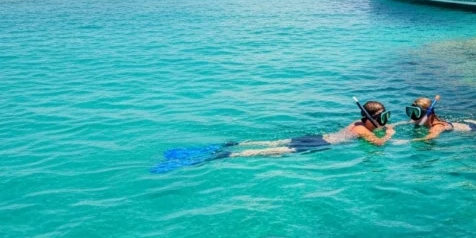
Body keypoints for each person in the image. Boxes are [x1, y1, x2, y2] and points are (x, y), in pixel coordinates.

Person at [149, 101, 395, 171]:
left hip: (317, 136)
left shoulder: (356, 123)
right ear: (373, 119)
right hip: (318, 146)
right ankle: (229, 154)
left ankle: (232, 144)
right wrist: (389, 134)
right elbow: (378, 144)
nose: (384, 122)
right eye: (382, 118)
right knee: (273, 152)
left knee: (275, 142)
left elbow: (368, 129)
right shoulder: (365, 131)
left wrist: (378, 126)